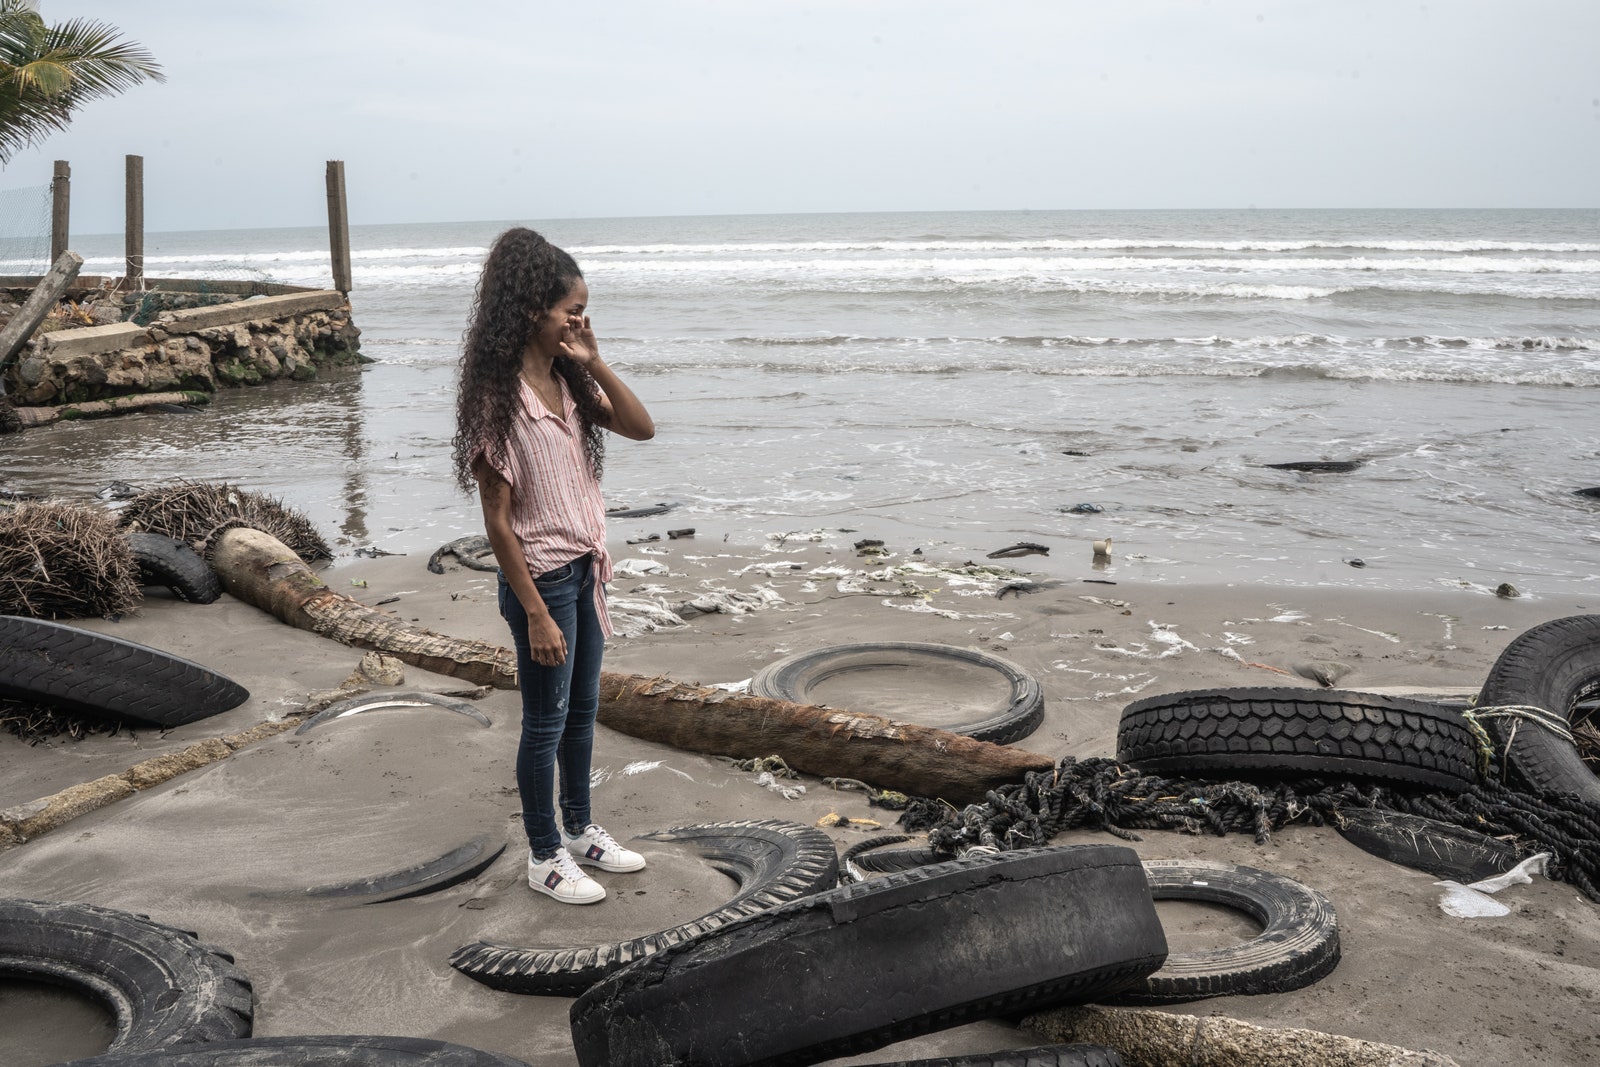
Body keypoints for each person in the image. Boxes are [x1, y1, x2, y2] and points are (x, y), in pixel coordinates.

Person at [451, 227, 655, 904]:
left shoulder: (567, 378)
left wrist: (593, 359)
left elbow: (641, 426)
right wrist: (535, 611)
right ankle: (544, 855)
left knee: (581, 710)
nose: (579, 318)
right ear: (532, 307)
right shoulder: (496, 398)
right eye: (571, 308)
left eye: (584, 308)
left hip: (585, 571)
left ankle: (581, 829)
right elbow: (497, 520)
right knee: (545, 722)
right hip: (542, 581)